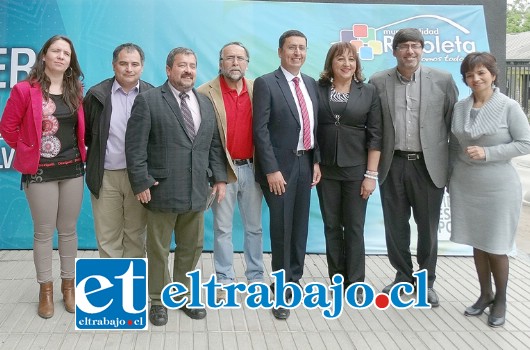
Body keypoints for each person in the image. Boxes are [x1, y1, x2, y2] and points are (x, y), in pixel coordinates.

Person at [125, 47, 227, 326]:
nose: (188, 70)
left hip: (196, 189)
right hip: (161, 187)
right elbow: (134, 147)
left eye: (192, 66)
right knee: (158, 247)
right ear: (168, 70)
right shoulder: (148, 101)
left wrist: (218, 178)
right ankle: (157, 300)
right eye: (181, 65)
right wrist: (140, 181)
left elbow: (214, 144)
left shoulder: (204, 102)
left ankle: (181, 296)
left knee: (191, 246)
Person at [369, 28, 458, 306]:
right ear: (394, 51)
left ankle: (426, 282)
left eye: (416, 46)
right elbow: (373, 128)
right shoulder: (378, 81)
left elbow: (453, 128)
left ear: (422, 49)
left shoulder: (443, 80)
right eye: (404, 46)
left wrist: (452, 170)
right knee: (395, 227)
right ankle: (402, 276)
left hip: (428, 166)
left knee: (428, 227)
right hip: (392, 164)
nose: (410, 51)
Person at [0, 35, 85, 318]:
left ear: (70, 60)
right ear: (45, 56)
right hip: (40, 173)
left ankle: (68, 287)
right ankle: (45, 290)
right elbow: (8, 128)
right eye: (56, 51)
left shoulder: (76, 90)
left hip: (73, 169)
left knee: (69, 230)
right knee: (44, 232)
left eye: (66, 53)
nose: (61, 56)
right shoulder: (25, 90)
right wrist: (29, 151)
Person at [449, 52, 530, 327]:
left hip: (498, 187)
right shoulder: (460, 107)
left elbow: (526, 143)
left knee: (496, 247)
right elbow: (454, 144)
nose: (476, 78)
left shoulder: (509, 107)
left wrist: (488, 152)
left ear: (493, 75)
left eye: (481, 73)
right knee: (479, 243)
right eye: (470, 75)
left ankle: (502, 300)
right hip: (465, 183)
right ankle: (485, 294)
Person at [253, 30, 321, 320]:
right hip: (279, 169)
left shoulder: (311, 83)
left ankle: (295, 279)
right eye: (291, 48)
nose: (297, 53)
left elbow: (315, 128)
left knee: (300, 226)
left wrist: (316, 161)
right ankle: (280, 290)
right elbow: (260, 130)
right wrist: (271, 170)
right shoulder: (266, 83)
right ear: (280, 51)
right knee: (281, 229)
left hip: (306, 164)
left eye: (302, 48)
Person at [197, 42, 264, 301]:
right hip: (223, 172)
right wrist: (215, 176)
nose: (235, 63)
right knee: (223, 229)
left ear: (247, 63)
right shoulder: (205, 93)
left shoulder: (260, 89)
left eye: (240, 58)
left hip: (252, 168)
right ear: (220, 62)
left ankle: (256, 276)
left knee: (254, 228)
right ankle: (224, 278)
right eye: (229, 58)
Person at [316, 42, 382, 297]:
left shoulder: (368, 92)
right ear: (330, 63)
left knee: (354, 226)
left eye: (351, 59)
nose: (346, 64)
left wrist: (371, 175)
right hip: (326, 170)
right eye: (340, 59)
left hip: (357, 170)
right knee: (332, 226)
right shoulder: (317, 89)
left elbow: (376, 136)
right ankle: (336, 277)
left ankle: (355, 282)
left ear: (357, 64)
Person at [84, 43, 153, 258]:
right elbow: (86, 135)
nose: (129, 69)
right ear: (114, 65)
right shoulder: (96, 95)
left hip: (139, 179)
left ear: (142, 67)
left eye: (134, 64)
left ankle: (132, 290)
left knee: (135, 236)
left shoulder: (153, 96)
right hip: (106, 177)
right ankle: (115, 292)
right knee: (108, 238)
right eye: (123, 63)